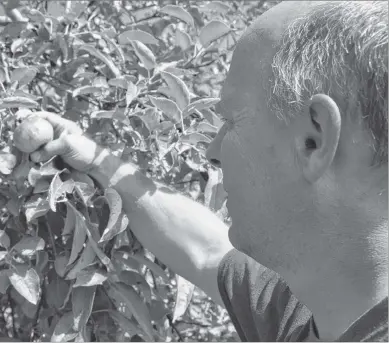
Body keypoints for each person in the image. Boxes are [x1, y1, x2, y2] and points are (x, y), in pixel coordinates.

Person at [27, 1, 388, 341]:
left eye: (232, 121)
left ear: (314, 140)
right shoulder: (306, 310)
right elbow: (205, 250)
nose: (212, 151)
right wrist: (93, 158)